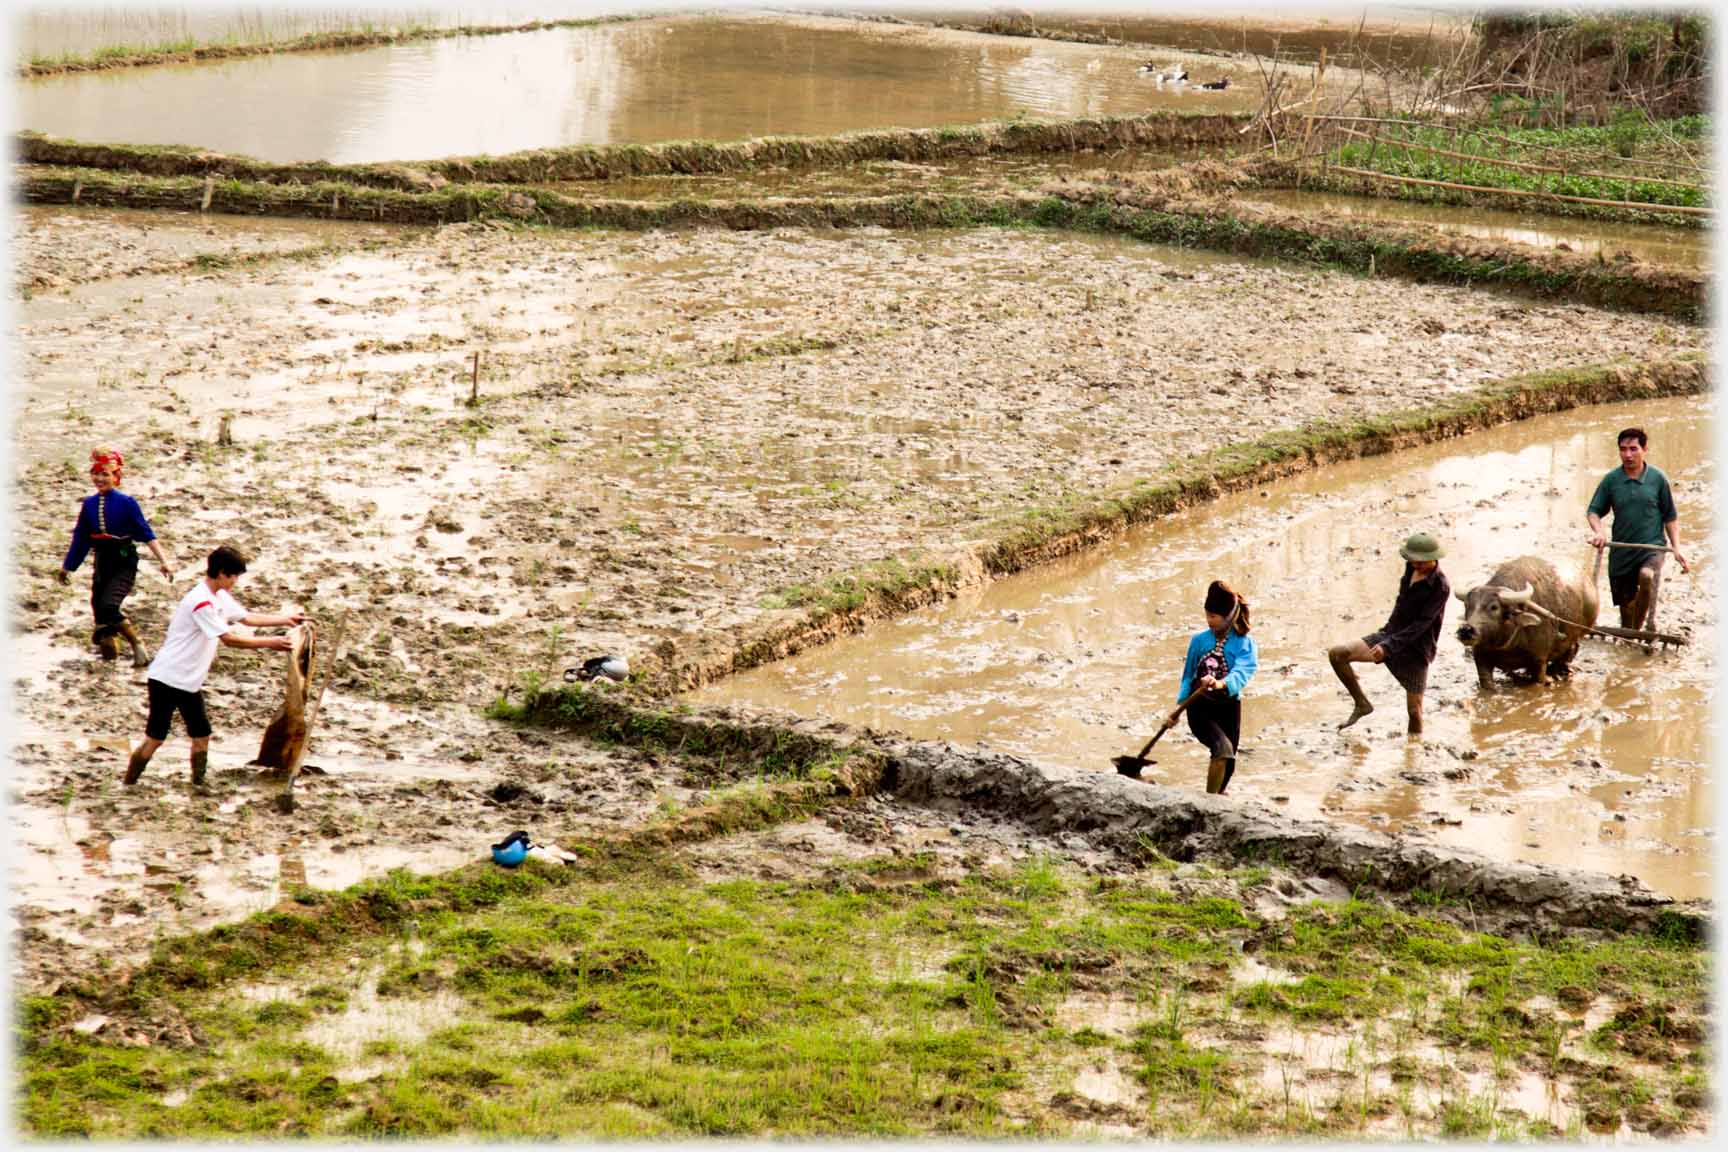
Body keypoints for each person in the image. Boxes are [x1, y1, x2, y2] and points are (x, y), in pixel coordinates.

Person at [124, 546, 306, 788]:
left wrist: (286, 619)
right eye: (234, 576)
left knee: (202, 735)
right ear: (221, 573)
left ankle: (198, 784)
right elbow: (229, 639)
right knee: (155, 738)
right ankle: (128, 783)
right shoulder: (201, 602)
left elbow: (247, 617)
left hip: (189, 682)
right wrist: (271, 643)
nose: (235, 582)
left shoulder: (219, 596)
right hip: (167, 678)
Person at [56, 446, 174, 665]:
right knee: (99, 612)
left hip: (123, 561)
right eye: (96, 474)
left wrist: (164, 562)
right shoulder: (89, 504)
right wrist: (68, 567)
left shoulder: (127, 503)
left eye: (105, 474)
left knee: (109, 606)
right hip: (103, 561)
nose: (100, 479)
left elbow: (146, 532)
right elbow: (81, 538)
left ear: (116, 477)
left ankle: (137, 643)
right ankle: (109, 663)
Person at [1328, 532, 1450, 736]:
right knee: (1337, 654)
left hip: (1416, 648)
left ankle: (1413, 755)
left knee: (1414, 712)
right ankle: (1362, 704)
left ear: (1434, 558)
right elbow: (1401, 603)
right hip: (1390, 634)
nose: (1416, 565)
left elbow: (1423, 624)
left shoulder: (1440, 586)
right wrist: (1386, 637)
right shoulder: (1410, 568)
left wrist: (1389, 646)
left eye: (1421, 562)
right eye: (1412, 561)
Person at [1586, 427, 1689, 632]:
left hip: (1652, 548)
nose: (1628, 455)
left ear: (1645, 449)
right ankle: (1631, 634)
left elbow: (1670, 516)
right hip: (1622, 551)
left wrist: (1677, 547)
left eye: (1633, 449)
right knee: (1626, 611)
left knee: (1647, 576)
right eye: (1623, 449)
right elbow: (1593, 511)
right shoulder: (1611, 480)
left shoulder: (1658, 479)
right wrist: (1599, 531)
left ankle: (1637, 631)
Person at [1171, 580, 1258, 795]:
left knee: (1229, 761)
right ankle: (1208, 803)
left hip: (1228, 705)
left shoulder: (1245, 644)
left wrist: (1221, 683)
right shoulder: (1199, 641)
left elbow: (1242, 672)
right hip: (1199, 704)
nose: (1209, 620)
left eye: (1214, 616)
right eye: (1207, 615)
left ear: (1228, 617)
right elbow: (1188, 674)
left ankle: (1217, 795)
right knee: (1222, 750)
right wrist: (1178, 709)